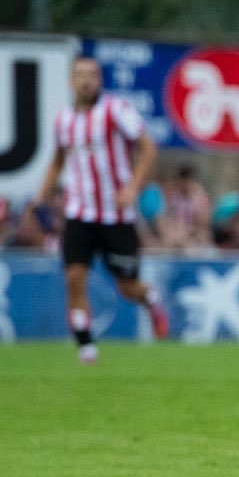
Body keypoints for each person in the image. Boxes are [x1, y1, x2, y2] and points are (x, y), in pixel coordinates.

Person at [34, 56, 169, 362]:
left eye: (91, 75)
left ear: (99, 80)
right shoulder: (64, 120)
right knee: (74, 277)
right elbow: (58, 159)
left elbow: (148, 146)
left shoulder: (116, 110)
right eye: (79, 75)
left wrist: (133, 187)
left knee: (127, 287)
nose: (85, 80)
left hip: (116, 215)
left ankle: (150, 299)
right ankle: (86, 346)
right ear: (71, 81)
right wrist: (41, 195)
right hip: (79, 213)